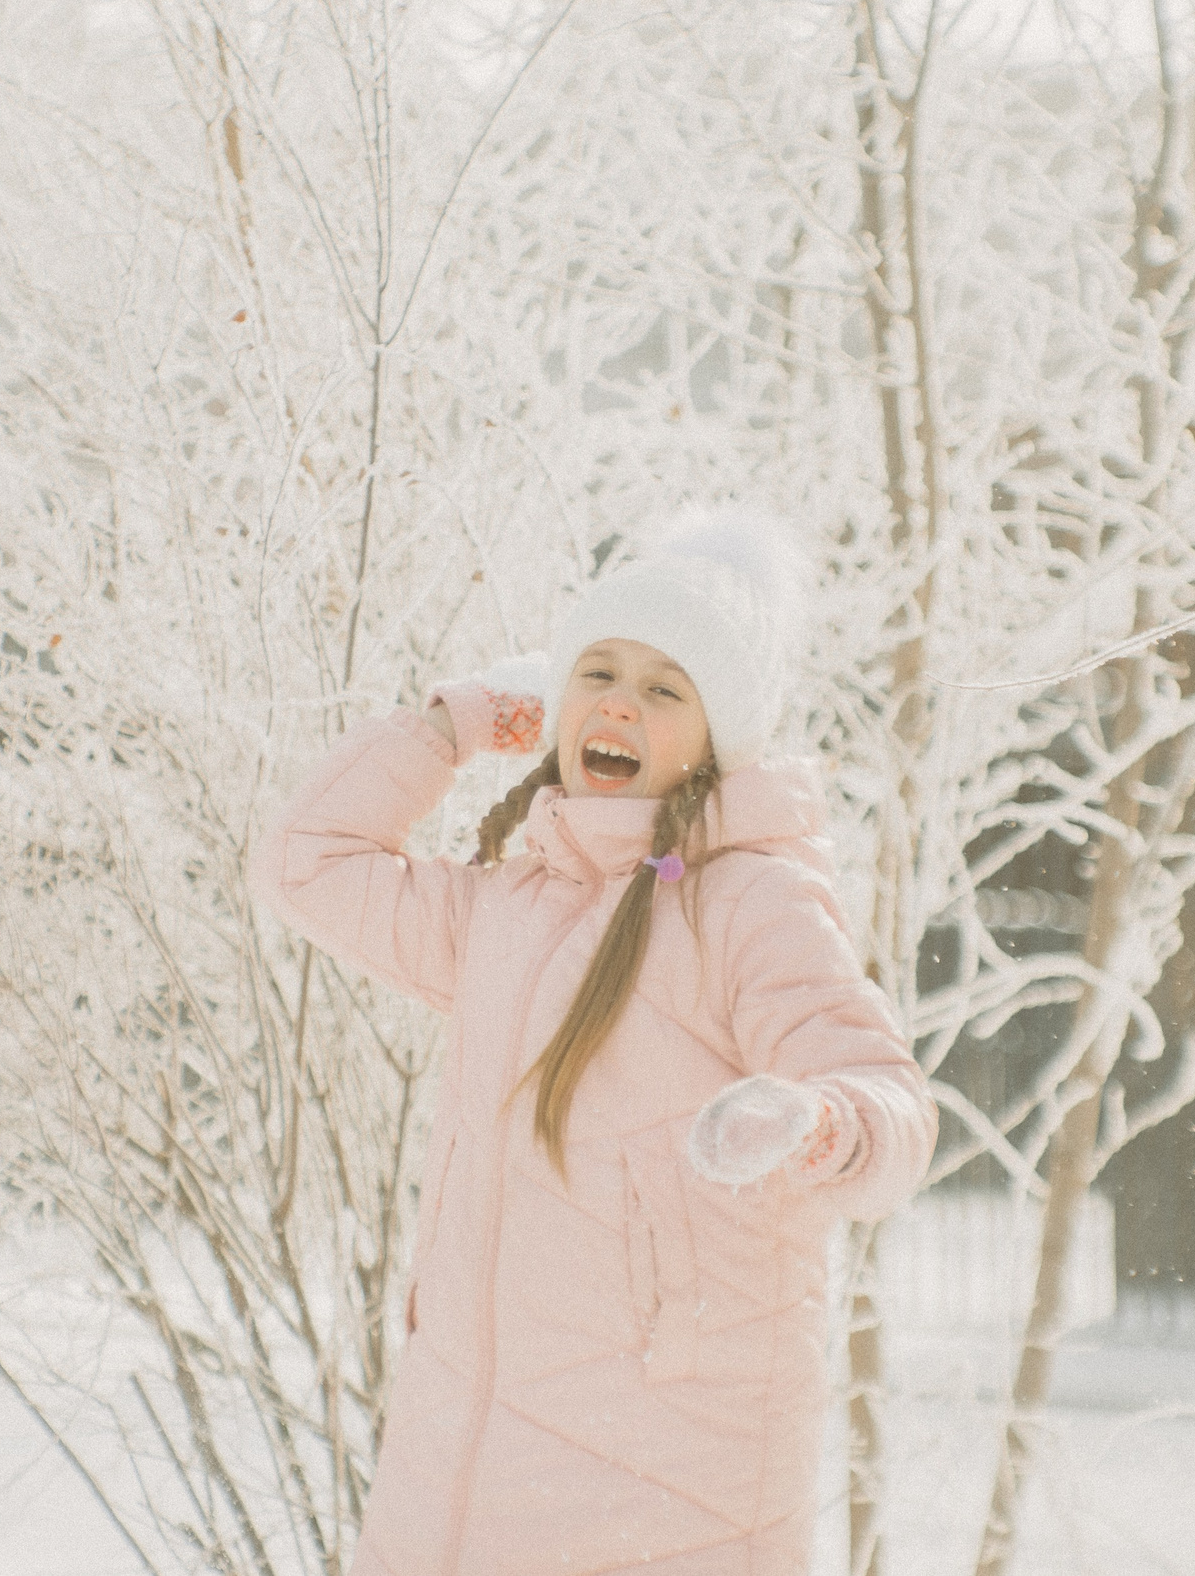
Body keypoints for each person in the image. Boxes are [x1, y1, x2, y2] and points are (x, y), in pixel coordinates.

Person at [254, 510, 935, 1576]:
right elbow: (309, 864)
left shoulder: (747, 901)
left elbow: (884, 1100)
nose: (618, 701)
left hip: (665, 1478)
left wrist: (814, 1125)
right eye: (595, 672)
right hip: (461, 1457)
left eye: (666, 688)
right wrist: (457, 724)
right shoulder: (513, 910)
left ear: (719, 736)